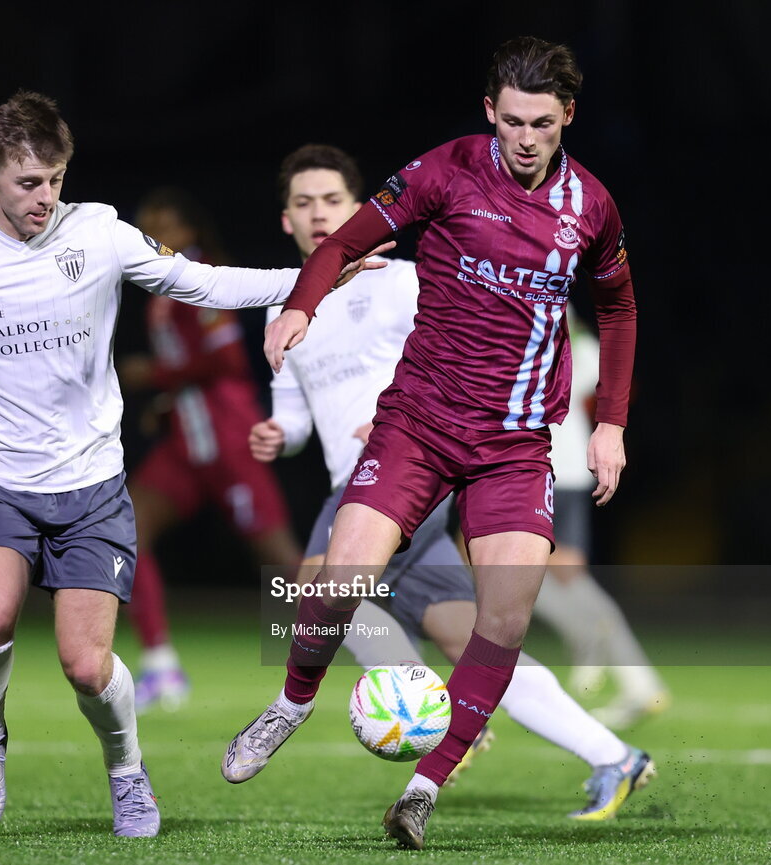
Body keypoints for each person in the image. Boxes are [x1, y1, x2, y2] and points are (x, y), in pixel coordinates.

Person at [0, 90, 383, 839]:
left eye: (57, 179)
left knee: (86, 667)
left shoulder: (98, 233)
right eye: (30, 182)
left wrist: (312, 281)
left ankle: (126, 767)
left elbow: (207, 283)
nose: (46, 197)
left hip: (91, 483)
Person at [222, 37, 638, 850]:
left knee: (505, 621)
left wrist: (613, 421)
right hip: (416, 423)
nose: (526, 139)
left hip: (514, 444)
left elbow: (619, 309)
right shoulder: (444, 170)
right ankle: (292, 703)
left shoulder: (591, 207)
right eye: (513, 121)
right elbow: (343, 241)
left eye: (543, 125)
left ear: (568, 119)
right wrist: (301, 305)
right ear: (490, 111)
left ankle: (421, 788)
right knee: (339, 582)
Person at [120, 188, 302, 712]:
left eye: (162, 227)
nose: (150, 237)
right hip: (186, 444)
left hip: (227, 440)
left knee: (282, 560)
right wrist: (167, 401)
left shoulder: (201, 278)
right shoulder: (161, 287)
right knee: (128, 529)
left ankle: (383, 646)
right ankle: (160, 666)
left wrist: (154, 375)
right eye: (144, 227)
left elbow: (225, 361)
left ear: (189, 233)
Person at [533, 305, 670, 726]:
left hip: (540, 466)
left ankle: (602, 648)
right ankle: (633, 677)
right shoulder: (585, 346)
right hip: (568, 466)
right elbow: (619, 385)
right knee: (544, 574)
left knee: (513, 568)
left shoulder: (526, 342)